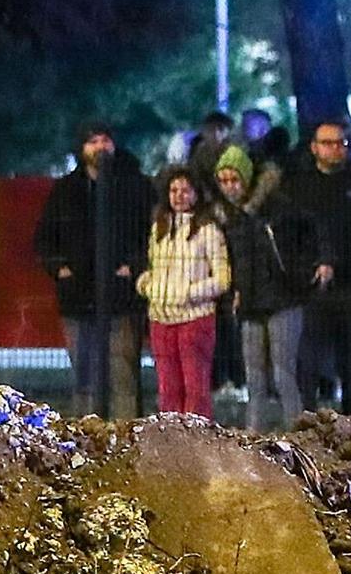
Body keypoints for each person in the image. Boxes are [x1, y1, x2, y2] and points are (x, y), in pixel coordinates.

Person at [33, 124, 152, 417]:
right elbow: (44, 238)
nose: (100, 147)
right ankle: (87, 443)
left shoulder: (136, 187)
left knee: (123, 377)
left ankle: (126, 443)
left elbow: (152, 233)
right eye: (93, 141)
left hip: (122, 299)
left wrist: (134, 267)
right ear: (81, 148)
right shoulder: (65, 190)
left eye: (105, 140)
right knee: (84, 378)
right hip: (78, 298)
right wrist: (59, 268)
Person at [274, 118, 351, 410]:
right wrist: (300, 278)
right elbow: (286, 239)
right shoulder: (298, 188)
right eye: (328, 143)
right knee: (308, 368)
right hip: (311, 291)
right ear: (314, 148)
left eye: (341, 143)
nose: (336, 149)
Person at [212, 145, 306, 430]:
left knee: (283, 374)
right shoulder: (227, 217)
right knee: (254, 378)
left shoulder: (276, 208)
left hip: (281, 300)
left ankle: (296, 434)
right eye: (224, 181)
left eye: (234, 180)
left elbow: (298, 244)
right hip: (250, 304)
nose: (230, 187)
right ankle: (254, 438)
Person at [138, 166, 232, 418]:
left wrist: (190, 292)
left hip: (195, 318)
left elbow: (223, 278)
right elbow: (153, 266)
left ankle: (197, 443)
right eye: (173, 190)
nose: (179, 196)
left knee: (195, 389)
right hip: (160, 317)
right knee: (168, 388)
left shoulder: (208, 230)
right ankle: (171, 442)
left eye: (185, 190)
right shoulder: (159, 228)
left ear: (196, 194)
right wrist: (147, 283)